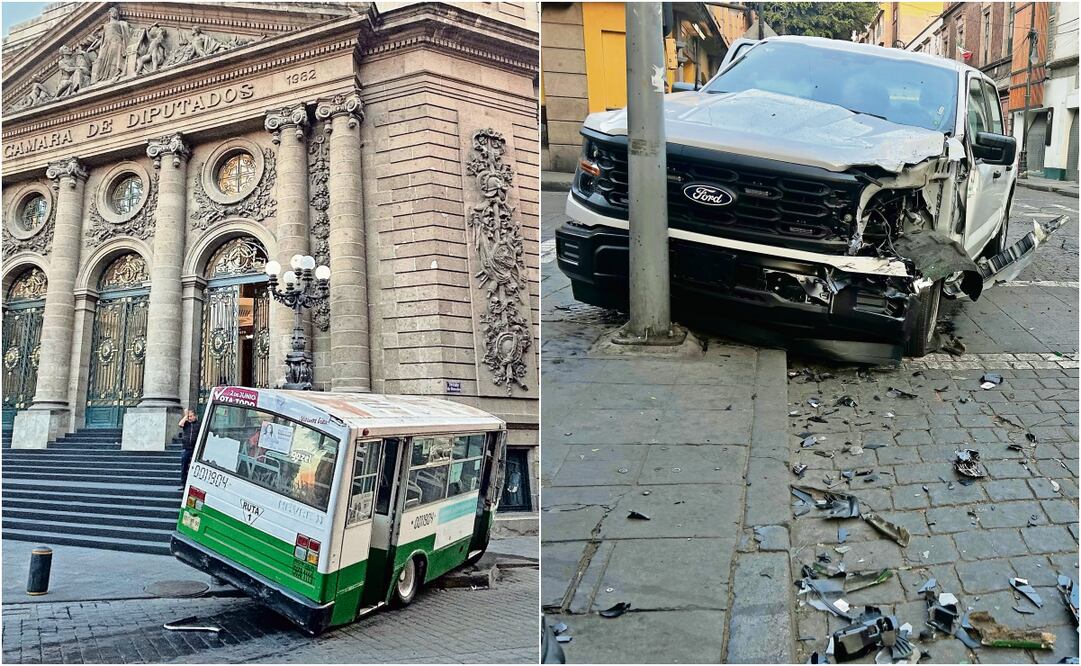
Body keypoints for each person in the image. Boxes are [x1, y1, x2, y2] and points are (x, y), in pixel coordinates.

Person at [178, 409, 199, 489]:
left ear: (195, 416)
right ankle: (183, 483)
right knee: (184, 465)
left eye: (191, 416)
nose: (189, 418)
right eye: (188, 416)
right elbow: (180, 424)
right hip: (187, 448)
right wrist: (186, 416)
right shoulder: (186, 423)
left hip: (195, 448)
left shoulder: (199, 424)